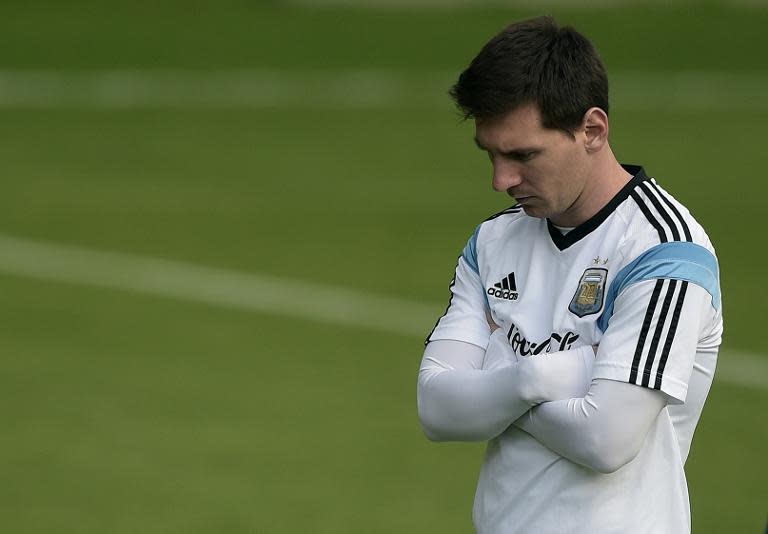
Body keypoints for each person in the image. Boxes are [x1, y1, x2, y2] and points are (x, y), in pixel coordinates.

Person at [417, 16, 722, 534]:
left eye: (523, 155)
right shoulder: (492, 243)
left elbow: (606, 438)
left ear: (592, 131)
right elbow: (437, 409)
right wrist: (543, 376)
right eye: (489, 154)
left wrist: (497, 375)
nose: (501, 180)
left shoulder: (665, 251)